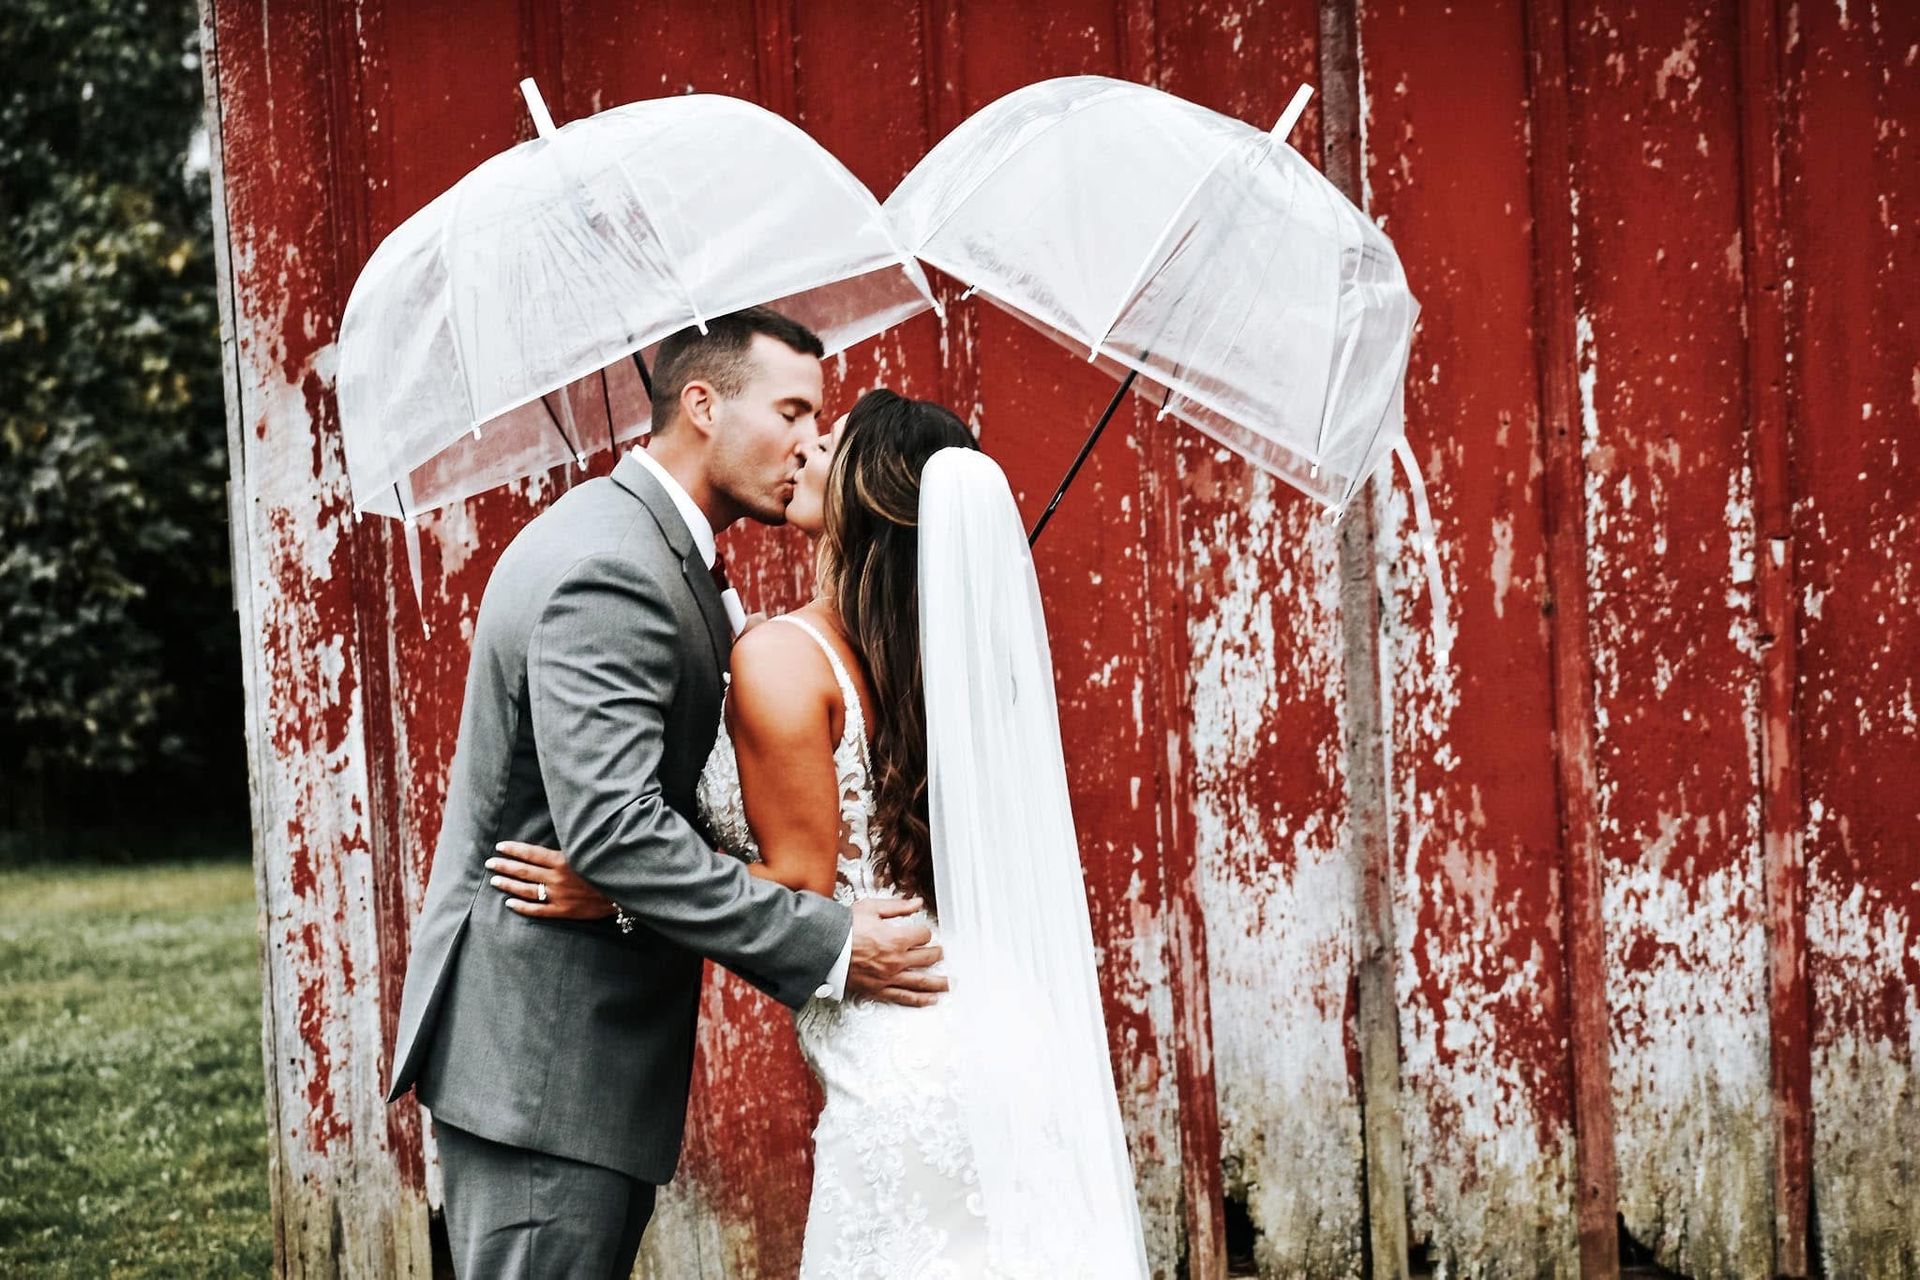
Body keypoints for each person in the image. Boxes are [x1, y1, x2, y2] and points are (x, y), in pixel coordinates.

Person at [493, 388, 1150, 1276]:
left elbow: (801, 886)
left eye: (830, 441)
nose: (804, 449)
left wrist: (620, 892)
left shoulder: (781, 656)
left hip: (900, 1050)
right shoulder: (934, 659)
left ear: (873, 491)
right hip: (996, 1026)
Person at [386, 309, 948, 1279]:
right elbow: (617, 828)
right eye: (791, 409)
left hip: (580, 1065)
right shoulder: (613, 564)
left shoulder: (667, 558)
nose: (813, 439)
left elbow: (629, 833)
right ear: (701, 404)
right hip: (543, 1068)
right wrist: (835, 942)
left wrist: (616, 891)